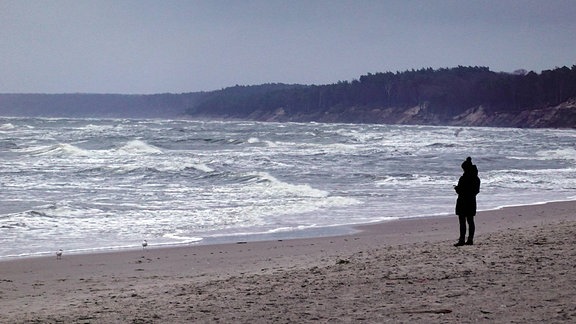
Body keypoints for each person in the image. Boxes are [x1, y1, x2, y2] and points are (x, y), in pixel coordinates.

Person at [453, 157, 480, 246]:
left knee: (462, 221)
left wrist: (457, 188)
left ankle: (462, 239)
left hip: (462, 201)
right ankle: (470, 239)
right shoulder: (476, 178)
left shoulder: (463, 178)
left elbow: (460, 190)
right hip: (471, 201)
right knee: (470, 221)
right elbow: (476, 191)